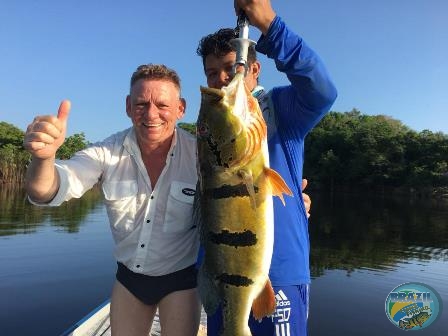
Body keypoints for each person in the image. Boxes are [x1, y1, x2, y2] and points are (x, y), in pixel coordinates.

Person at [23, 64, 202, 336]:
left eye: (162, 105)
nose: (151, 114)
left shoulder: (201, 156)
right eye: (141, 104)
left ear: (181, 108)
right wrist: (44, 158)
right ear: (128, 106)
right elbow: (48, 190)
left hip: (181, 280)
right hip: (128, 281)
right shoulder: (107, 151)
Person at [196, 0, 337, 335]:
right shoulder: (210, 126)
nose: (220, 79)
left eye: (230, 67)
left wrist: (271, 26)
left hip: (283, 271)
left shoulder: (281, 110)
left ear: (253, 69)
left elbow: (322, 91)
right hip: (220, 269)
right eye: (211, 73)